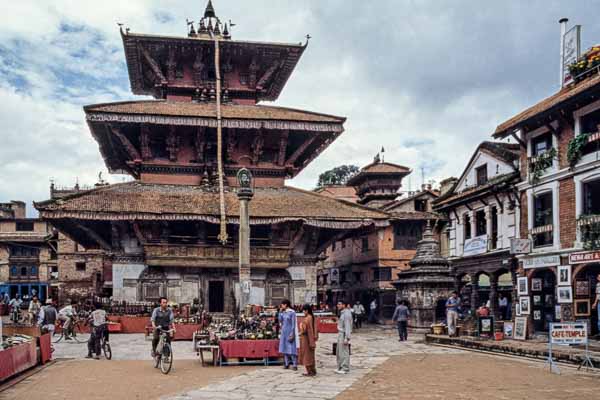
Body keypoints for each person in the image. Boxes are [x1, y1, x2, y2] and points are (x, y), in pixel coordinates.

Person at [278, 299, 299, 371]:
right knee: (284, 348)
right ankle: (286, 364)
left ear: (286, 304)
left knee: (292, 348)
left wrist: (292, 333)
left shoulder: (292, 312)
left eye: (282, 305)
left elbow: (293, 324)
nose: (281, 306)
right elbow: (280, 320)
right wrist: (280, 312)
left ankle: (295, 364)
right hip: (284, 332)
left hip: (290, 331)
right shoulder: (283, 312)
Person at [299, 304, 318, 377]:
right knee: (311, 355)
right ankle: (313, 370)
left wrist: (301, 327)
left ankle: (310, 371)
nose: (303, 312)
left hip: (306, 339)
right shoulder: (312, 317)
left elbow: (304, 329)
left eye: (304, 310)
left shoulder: (307, 318)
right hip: (311, 338)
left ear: (307, 310)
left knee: (306, 355)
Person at [336, 301, 353, 374]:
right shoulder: (342, 313)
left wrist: (347, 338)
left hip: (344, 334)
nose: (338, 305)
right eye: (338, 304)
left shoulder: (346, 314)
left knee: (344, 351)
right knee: (339, 351)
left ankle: (345, 368)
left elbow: (348, 326)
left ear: (344, 305)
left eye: (339, 304)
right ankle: (340, 367)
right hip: (340, 333)